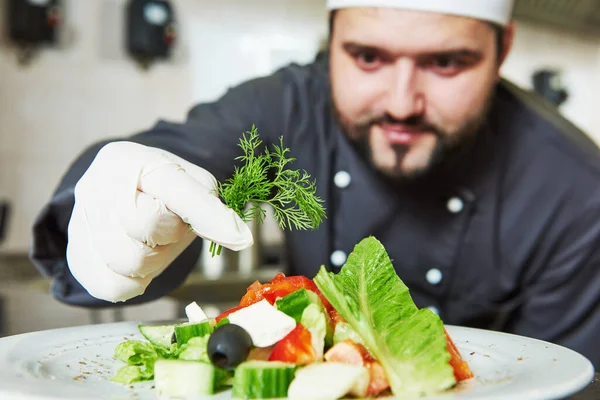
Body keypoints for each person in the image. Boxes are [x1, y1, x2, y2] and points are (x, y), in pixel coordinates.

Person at [30, 0, 600, 369]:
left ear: (503, 51)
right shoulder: (289, 107)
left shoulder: (574, 192)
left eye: (447, 62)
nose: (401, 101)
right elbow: (182, 153)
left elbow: (556, 377)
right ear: (332, 41)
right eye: (368, 56)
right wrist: (124, 204)